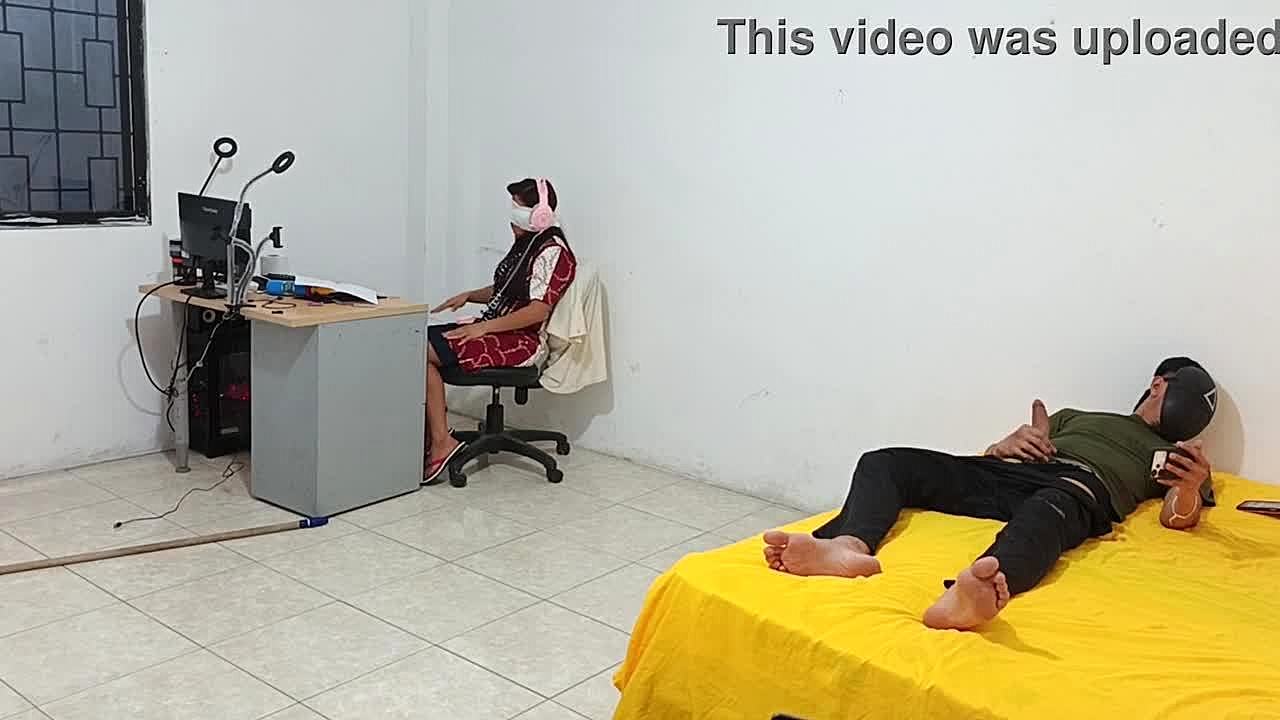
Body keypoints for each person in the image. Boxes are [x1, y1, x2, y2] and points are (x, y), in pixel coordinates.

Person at [763, 358, 1219, 631]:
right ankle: (848, 546)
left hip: (1077, 487)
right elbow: (1003, 449)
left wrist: (1188, 488)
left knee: (1047, 513)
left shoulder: (1181, 456)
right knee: (885, 462)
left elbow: (1177, 517)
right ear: (1157, 384)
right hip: (1011, 472)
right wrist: (1004, 445)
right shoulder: (1076, 416)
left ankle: (976, 591)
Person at [423, 178, 578, 483]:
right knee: (416, 342)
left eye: (518, 211)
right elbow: (507, 289)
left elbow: (537, 310)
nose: (511, 219)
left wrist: (482, 329)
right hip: (498, 328)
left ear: (540, 216)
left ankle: (442, 442)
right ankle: (434, 435)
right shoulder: (527, 245)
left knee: (423, 351)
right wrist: (470, 295)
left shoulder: (553, 252)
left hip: (523, 341)